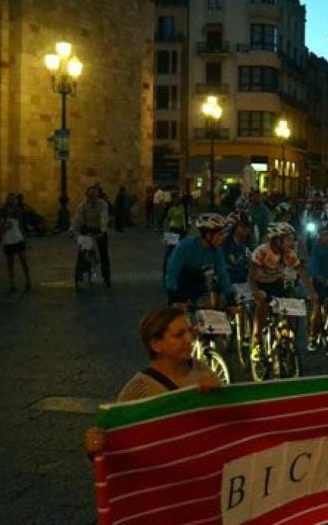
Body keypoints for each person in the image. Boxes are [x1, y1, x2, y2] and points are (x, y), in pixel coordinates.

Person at [83, 306, 220, 456]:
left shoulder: (202, 369)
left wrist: (220, 396)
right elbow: (118, 446)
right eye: (179, 335)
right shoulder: (139, 390)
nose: (189, 340)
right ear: (156, 344)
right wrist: (96, 444)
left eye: (189, 331)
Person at [249, 222, 317, 362]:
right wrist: (256, 292)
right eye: (288, 239)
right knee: (263, 306)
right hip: (260, 285)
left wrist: (312, 292)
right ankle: (257, 342)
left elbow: (302, 273)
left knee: (290, 306)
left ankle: (286, 335)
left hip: (277, 284)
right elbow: (250, 276)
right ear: (277, 240)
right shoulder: (261, 251)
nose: (291, 242)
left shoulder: (289, 254)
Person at [164, 214, 234, 306]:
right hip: (180, 284)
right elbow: (172, 273)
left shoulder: (217, 251)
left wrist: (230, 297)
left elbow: (223, 275)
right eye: (220, 234)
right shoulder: (185, 246)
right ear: (209, 235)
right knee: (181, 312)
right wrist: (173, 295)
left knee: (208, 309)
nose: (223, 237)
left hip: (198, 284)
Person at [72, 185, 111, 287]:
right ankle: (80, 274)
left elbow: (104, 218)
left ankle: (106, 277)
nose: (91, 198)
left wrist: (102, 231)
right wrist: (74, 230)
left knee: (104, 254)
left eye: (94, 195)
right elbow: (78, 218)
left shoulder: (102, 204)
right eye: (89, 195)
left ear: (97, 196)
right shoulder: (83, 205)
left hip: (99, 230)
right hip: (87, 229)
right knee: (82, 253)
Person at [0, 194, 31, 293]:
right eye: (11, 199)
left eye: (14, 200)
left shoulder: (19, 212)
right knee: (10, 262)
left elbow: (21, 226)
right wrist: (5, 227)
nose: (13, 201)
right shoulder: (2, 212)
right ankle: (12, 283)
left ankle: (28, 280)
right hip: (8, 239)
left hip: (18, 238)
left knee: (23, 260)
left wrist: (25, 239)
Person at [221, 211, 252, 286]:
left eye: (247, 227)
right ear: (236, 226)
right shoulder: (226, 241)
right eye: (243, 226)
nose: (246, 230)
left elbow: (250, 258)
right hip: (228, 279)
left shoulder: (247, 240)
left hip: (243, 279)